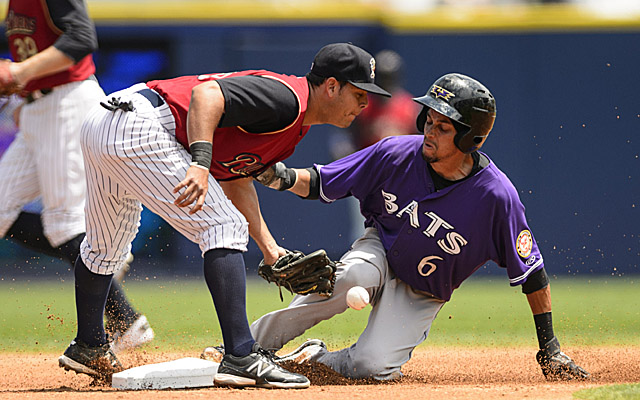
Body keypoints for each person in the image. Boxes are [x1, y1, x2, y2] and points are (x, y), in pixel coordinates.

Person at [56, 42, 391, 388]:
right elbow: (207, 96)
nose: (365, 103)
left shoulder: (293, 123)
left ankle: (90, 344)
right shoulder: (288, 98)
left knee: (105, 246)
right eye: (359, 93)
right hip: (140, 125)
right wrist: (200, 163)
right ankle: (242, 356)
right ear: (332, 86)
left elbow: (235, 177)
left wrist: (270, 249)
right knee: (223, 226)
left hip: (107, 123)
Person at [241, 73, 590, 381]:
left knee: (372, 366)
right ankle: (244, 345)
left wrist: (550, 347)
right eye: (429, 121)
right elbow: (322, 181)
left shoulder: (497, 198)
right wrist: (279, 177)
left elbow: (532, 273)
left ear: (471, 139)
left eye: (444, 127)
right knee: (349, 277)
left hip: (424, 289)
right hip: (380, 248)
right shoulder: (395, 153)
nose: (429, 132)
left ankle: (315, 358)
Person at [0, 0, 153, 353]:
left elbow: (82, 38)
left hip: (67, 103)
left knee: (65, 225)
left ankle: (126, 321)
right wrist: (21, 96)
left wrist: (20, 73)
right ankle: (103, 255)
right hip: (36, 106)